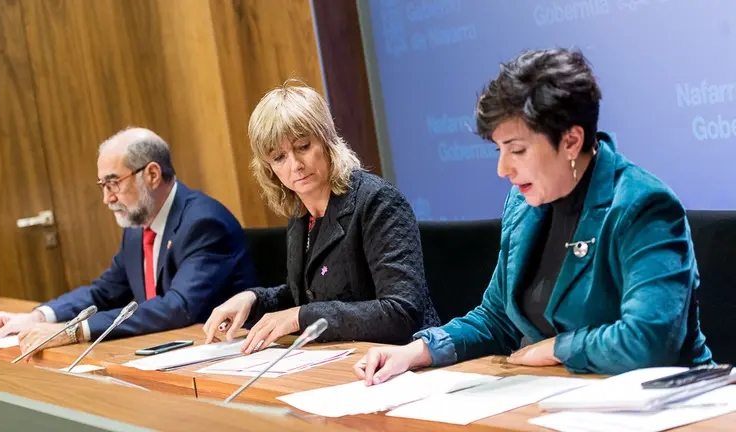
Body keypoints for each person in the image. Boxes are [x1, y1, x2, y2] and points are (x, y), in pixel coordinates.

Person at [353, 48, 713, 384]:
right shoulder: (523, 203)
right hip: (564, 398)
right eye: (499, 150)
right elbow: (496, 317)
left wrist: (558, 348)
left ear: (571, 141)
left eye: (517, 150)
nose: (502, 168)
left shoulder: (642, 206)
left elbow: (648, 340)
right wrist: (416, 351)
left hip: (670, 405)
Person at [203, 82, 440, 353]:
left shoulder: (377, 202)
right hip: (341, 360)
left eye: (303, 146)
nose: (295, 165)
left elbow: (401, 312)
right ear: (269, 169)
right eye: (279, 157)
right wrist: (253, 299)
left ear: (327, 140)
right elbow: (311, 296)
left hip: (404, 360)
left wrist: (300, 316)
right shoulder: (300, 214)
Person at [0, 128, 257, 354]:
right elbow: (103, 292)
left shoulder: (203, 222)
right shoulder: (138, 226)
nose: (107, 199)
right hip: (164, 349)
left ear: (151, 174)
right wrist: (40, 317)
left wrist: (76, 329)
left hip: (220, 352)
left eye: (114, 184)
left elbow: (178, 307)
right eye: (103, 186)